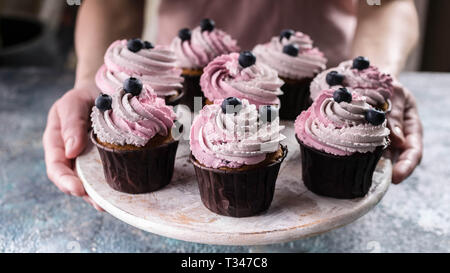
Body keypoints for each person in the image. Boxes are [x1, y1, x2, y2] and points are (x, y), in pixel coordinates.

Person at [43, 0, 423, 211]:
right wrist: (93, 80)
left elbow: (386, 4)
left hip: (325, 90)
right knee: (198, 124)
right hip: (183, 82)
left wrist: (373, 82)